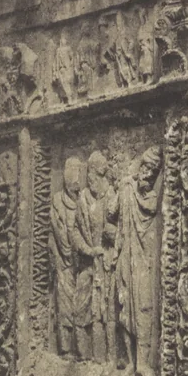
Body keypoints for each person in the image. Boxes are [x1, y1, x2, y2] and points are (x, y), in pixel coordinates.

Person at [116, 146, 162, 376]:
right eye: (146, 167)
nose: (148, 173)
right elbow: (111, 213)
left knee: (143, 306)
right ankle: (131, 362)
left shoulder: (152, 198)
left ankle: (143, 363)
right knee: (125, 308)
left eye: (153, 170)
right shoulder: (126, 188)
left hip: (145, 261)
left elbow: (150, 207)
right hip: (126, 255)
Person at [72, 150, 118, 362]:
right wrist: (89, 250)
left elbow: (121, 231)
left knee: (104, 311)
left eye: (94, 174)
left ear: (101, 175)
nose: (90, 178)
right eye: (88, 173)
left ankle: (105, 358)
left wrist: (113, 236)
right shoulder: (82, 199)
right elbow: (75, 232)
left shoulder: (111, 197)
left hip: (107, 265)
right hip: (87, 263)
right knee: (81, 307)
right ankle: (83, 356)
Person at [50, 157, 84, 356]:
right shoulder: (57, 202)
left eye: (76, 172)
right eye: (69, 171)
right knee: (64, 304)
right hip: (63, 263)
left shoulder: (83, 202)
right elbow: (56, 232)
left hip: (80, 261)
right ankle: (64, 348)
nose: (73, 177)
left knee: (80, 306)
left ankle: (80, 348)